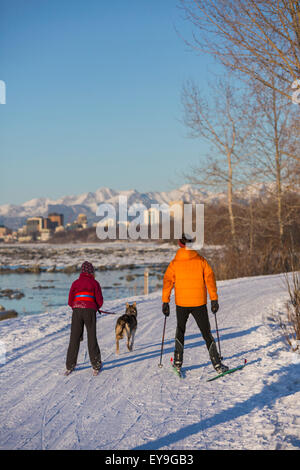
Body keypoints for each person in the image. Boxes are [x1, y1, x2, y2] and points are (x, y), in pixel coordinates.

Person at [162, 234, 228, 374]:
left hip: (182, 303)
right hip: (199, 303)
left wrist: (165, 301)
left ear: (180, 244)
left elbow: (167, 282)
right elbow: (210, 279)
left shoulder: (175, 263)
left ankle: (178, 362)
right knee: (206, 333)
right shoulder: (201, 261)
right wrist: (214, 299)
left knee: (180, 331)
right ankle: (217, 364)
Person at [65, 261, 103, 375]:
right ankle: (96, 365)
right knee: (92, 337)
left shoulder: (75, 283)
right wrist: (94, 307)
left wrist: (77, 308)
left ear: (82, 271)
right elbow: (100, 301)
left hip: (77, 309)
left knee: (74, 337)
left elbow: (70, 301)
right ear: (91, 271)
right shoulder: (95, 283)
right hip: (90, 311)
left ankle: (70, 365)